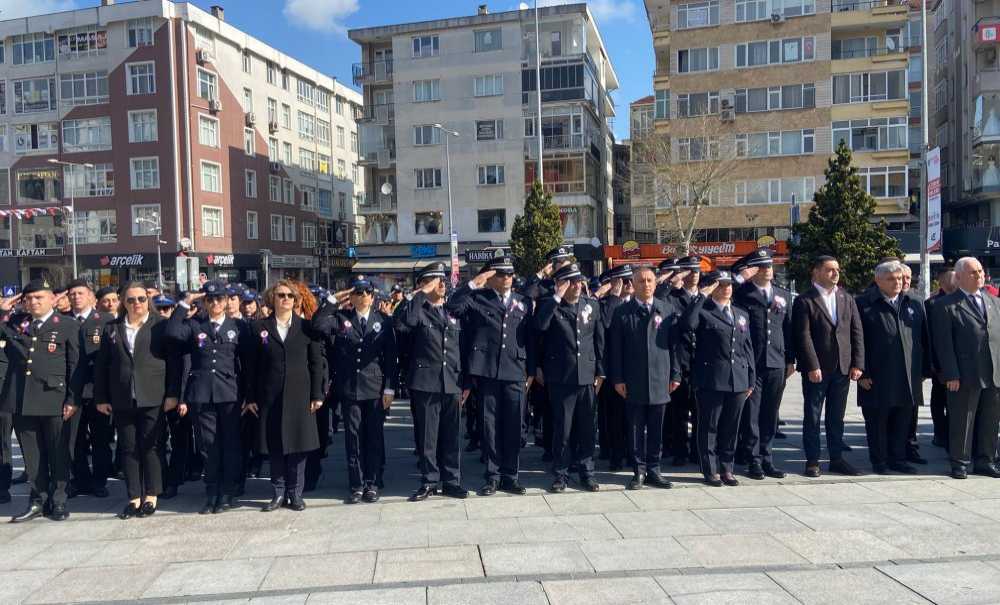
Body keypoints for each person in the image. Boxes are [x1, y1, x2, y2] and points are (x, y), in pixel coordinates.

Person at [446, 256, 535, 496]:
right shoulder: (478, 299)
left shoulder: (524, 301)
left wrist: (532, 371)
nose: (506, 278)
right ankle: (493, 476)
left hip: (515, 370)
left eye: (509, 274)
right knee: (490, 425)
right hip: (487, 371)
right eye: (500, 274)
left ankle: (511, 475)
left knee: (514, 425)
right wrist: (474, 283)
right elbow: (452, 307)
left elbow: (531, 338)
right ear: (491, 277)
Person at [94, 283, 180, 519]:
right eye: (131, 300)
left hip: (153, 395)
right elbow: (102, 366)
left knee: (152, 446)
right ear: (123, 301)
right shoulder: (112, 328)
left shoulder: (160, 326)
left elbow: (173, 363)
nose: (137, 304)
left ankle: (152, 494)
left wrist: (173, 393)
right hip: (122, 397)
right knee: (129, 447)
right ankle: (133, 496)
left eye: (141, 299)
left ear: (148, 300)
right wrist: (101, 397)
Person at [168, 281, 254, 514]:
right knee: (208, 446)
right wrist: (185, 302)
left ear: (226, 301)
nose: (215, 303)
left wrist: (250, 395)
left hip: (230, 393)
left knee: (230, 444)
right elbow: (173, 332)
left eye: (219, 299)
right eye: (210, 299)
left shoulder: (238, 327)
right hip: (202, 393)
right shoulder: (195, 325)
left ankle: (228, 492)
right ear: (204, 302)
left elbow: (247, 363)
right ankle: (212, 492)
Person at [0, 280, 81, 522]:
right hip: (21, 399)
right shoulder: (16, 323)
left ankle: (58, 501)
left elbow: (74, 365)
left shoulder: (67, 325)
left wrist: (72, 399)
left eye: (39, 298)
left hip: (53, 398)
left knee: (58, 452)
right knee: (32, 455)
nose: (34, 302)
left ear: (52, 300)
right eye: (29, 299)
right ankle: (37, 499)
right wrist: (4, 310)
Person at [313, 276, 397, 503]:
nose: (362, 297)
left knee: (373, 437)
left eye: (366, 293)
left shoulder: (383, 321)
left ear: (372, 296)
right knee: (353, 437)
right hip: (350, 388)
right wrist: (333, 299)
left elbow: (390, 358)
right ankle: (356, 484)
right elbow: (318, 323)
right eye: (357, 293)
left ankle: (372, 482)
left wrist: (389, 389)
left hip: (375, 387)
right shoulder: (341, 319)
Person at [246, 281, 325, 512]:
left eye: (290, 295)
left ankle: (295, 492)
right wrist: (250, 396)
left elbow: (316, 362)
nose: (286, 299)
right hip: (270, 395)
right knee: (275, 445)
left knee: (298, 445)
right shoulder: (259, 327)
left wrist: (317, 394)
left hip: (300, 394)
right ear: (273, 298)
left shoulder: (306, 327)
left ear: (296, 300)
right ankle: (278, 492)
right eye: (281, 295)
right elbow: (251, 365)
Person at [396, 262, 469, 501]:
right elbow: (402, 324)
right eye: (436, 280)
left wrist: (466, 382)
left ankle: (451, 480)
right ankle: (429, 480)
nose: (442, 284)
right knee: (427, 437)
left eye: (443, 279)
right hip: (425, 382)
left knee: (451, 435)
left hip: (452, 381)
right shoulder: (417, 309)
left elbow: (463, 349)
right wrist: (419, 295)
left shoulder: (452, 310)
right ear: (424, 284)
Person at [680, 270, 755, 487]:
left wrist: (751, 377)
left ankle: (727, 468)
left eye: (729, 284)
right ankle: (710, 470)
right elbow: (687, 324)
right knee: (709, 427)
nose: (726, 288)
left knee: (731, 428)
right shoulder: (703, 311)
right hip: (711, 379)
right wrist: (701, 296)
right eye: (721, 285)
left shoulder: (741, 314)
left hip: (738, 379)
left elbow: (747, 347)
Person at [792, 255, 865, 477]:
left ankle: (837, 458)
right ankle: (812, 461)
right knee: (813, 415)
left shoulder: (846, 297)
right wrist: (812, 365)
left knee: (836, 416)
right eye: (830, 270)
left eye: (837, 270)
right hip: (817, 370)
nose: (835, 273)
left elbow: (856, 331)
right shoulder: (805, 300)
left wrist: (858, 363)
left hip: (842, 368)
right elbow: (802, 336)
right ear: (816, 272)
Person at [534, 263, 604, 492]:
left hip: (586, 376)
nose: (576, 286)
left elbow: (598, 340)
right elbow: (540, 328)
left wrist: (600, 372)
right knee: (562, 430)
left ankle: (587, 472)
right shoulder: (550, 305)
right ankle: (561, 474)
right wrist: (556, 297)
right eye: (570, 282)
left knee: (586, 429)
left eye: (578, 281)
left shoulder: (591, 305)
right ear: (560, 283)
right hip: (561, 377)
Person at [608, 265, 680, 490]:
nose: (646, 284)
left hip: (661, 378)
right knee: (636, 429)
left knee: (657, 429)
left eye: (649, 280)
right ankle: (638, 471)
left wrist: (676, 374)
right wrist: (618, 378)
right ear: (632, 284)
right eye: (641, 281)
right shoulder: (622, 312)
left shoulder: (667, 310)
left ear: (656, 283)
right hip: (633, 380)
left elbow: (675, 346)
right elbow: (615, 349)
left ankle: (654, 470)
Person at [855, 260, 929, 475]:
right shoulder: (863, 304)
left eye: (899, 278)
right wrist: (862, 370)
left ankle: (898, 459)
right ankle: (879, 461)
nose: (897, 282)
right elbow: (856, 340)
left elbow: (924, 338)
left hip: (908, 374)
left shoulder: (913, 302)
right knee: (878, 421)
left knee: (903, 420)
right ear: (878, 280)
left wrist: (925, 369)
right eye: (891, 279)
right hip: (876, 375)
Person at [930, 256, 1000, 479]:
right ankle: (959, 462)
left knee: (990, 419)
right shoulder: (946, 305)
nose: (979, 275)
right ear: (958, 277)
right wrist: (951, 373)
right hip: (964, 373)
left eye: (980, 271)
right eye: (973, 272)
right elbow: (944, 344)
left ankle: (985, 460)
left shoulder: (994, 301)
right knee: (963, 419)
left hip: (993, 371)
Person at [732, 249, 793, 480]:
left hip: (776, 361)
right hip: (752, 362)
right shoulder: (742, 293)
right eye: (762, 266)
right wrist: (741, 276)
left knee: (770, 413)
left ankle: (767, 458)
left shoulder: (782, 295)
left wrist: (790, 359)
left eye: (769, 265)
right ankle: (753, 459)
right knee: (752, 414)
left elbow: (788, 328)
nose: (768, 269)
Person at [65, 278, 114, 499]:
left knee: (100, 439)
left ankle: (99, 481)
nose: (76, 297)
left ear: (91, 297)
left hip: (97, 391)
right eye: (72, 294)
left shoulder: (105, 321)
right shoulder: (63, 321)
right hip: (71, 392)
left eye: (80, 293)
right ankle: (80, 480)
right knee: (74, 440)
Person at [664, 255, 702, 466]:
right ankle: (680, 450)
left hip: (701, 362)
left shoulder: (706, 296)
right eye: (689, 270)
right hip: (680, 360)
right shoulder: (672, 297)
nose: (694, 274)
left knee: (700, 411)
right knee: (679, 411)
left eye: (697, 270)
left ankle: (697, 450)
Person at [925, 268, 957, 449]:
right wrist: (935, 365)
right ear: (943, 282)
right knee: (939, 400)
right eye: (954, 279)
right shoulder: (933, 303)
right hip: (940, 364)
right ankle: (940, 433)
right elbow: (931, 337)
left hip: (957, 363)